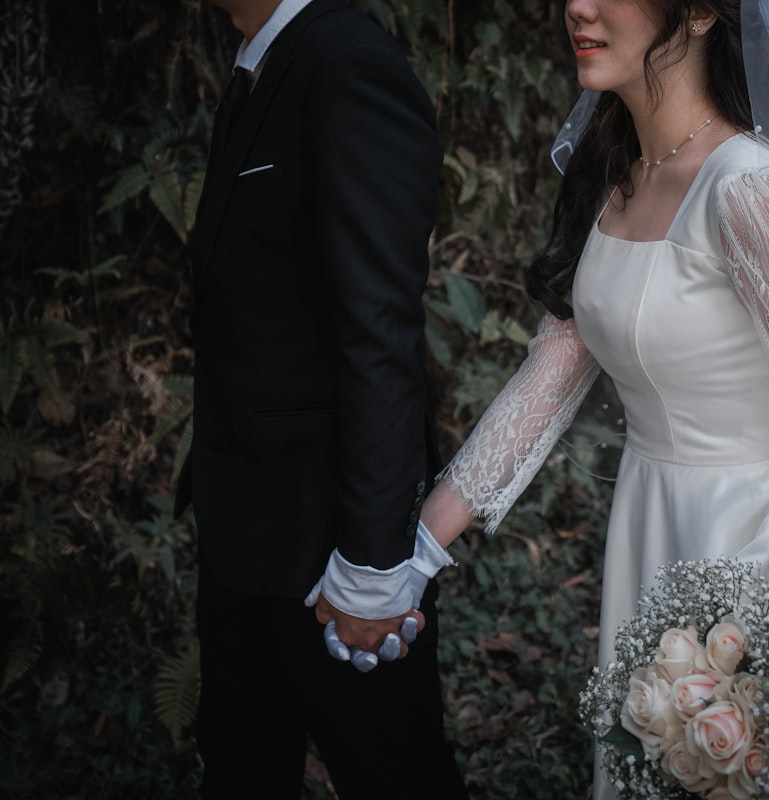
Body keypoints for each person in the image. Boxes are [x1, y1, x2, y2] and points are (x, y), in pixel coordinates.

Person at [412, 0, 769, 798]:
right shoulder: (619, 174)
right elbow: (552, 368)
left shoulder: (751, 191)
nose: (575, 6)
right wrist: (411, 558)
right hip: (652, 536)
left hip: (765, 562)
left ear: (699, 14)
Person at [172, 0, 468, 797]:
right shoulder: (261, 67)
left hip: (327, 549)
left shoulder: (346, 66)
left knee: (390, 773)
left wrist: (371, 567)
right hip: (243, 524)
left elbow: (378, 332)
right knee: (240, 767)